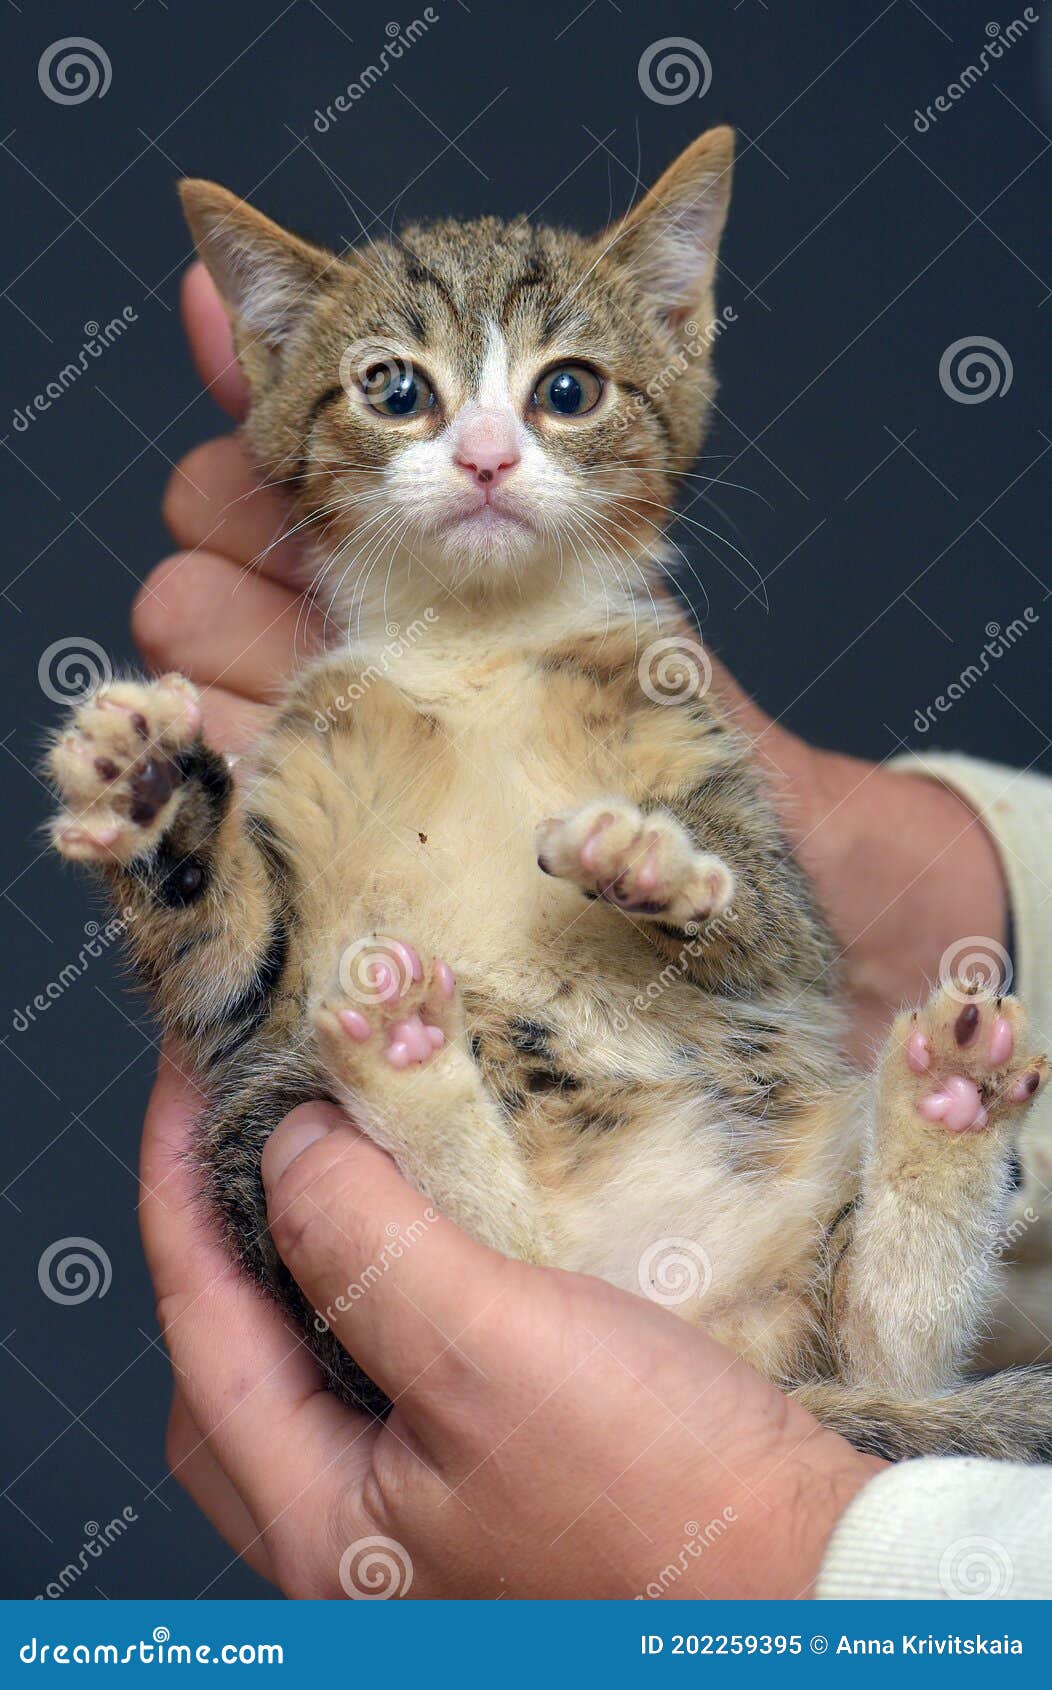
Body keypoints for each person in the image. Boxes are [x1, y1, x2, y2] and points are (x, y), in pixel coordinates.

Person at [135, 263, 1052, 1600]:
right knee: (285, 1107)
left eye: (565, 393)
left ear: (675, 350)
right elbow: (238, 1002)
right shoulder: (326, 713)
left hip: (740, 1229)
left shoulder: (644, 672)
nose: (492, 452)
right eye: (403, 393)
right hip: (561, 1205)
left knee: (836, 1261)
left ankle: (916, 1203)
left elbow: (793, 957)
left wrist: (772, 1530)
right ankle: (477, 1162)